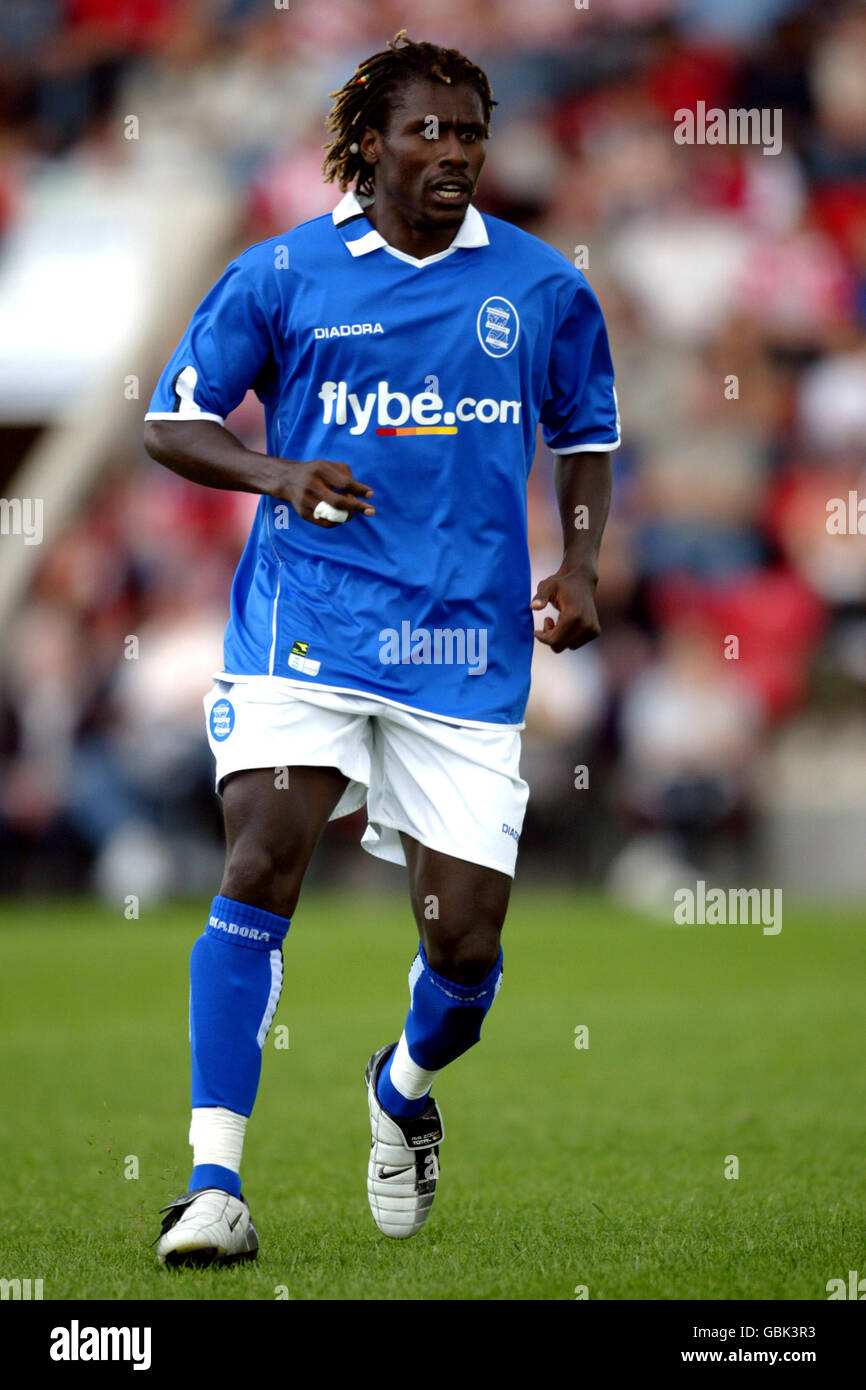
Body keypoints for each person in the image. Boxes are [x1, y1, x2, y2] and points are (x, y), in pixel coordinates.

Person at [143, 29, 619, 1266]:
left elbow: (585, 434)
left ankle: (401, 1085)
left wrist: (575, 563)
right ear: (368, 144)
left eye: (470, 131)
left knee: (462, 948)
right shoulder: (285, 275)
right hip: (308, 619)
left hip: (462, 650)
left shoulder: (538, 287)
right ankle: (211, 1185)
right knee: (262, 855)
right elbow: (172, 422)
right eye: (429, 130)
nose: (455, 150)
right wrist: (276, 473)